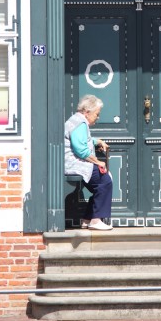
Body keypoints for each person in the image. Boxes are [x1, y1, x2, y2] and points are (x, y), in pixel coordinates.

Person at [64, 95, 113, 230]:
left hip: (74, 163)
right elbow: (81, 150)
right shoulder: (80, 123)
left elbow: (81, 140)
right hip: (74, 164)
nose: (98, 117)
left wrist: (97, 141)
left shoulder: (76, 121)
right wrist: (98, 162)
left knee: (100, 184)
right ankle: (96, 221)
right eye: (97, 114)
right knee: (105, 181)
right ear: (87, 112)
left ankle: (87, 219)